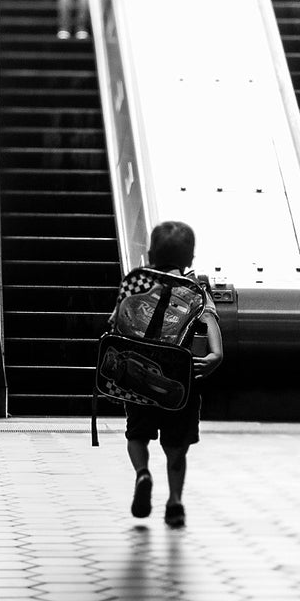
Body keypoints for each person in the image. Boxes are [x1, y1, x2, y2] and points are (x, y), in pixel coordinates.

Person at [113, 220, 224, 528]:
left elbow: (116, 321)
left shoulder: (138, 281)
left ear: (150, 253)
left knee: (136, 433)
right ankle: (174, 502)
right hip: (179, 377)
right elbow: (210, 319)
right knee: (176, 445)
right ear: (190, 258)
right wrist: (216, 354)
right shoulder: (194, 285)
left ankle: (142, 473)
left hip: (139, 371)